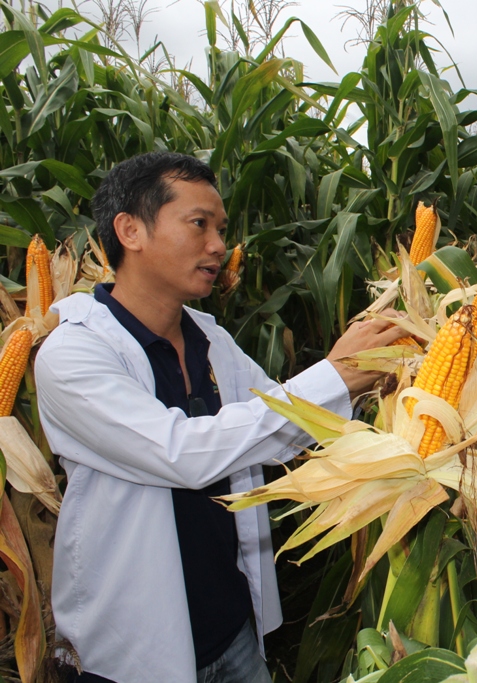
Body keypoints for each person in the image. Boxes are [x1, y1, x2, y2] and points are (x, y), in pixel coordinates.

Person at [35, 152, 407, 683]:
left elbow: (282, 426)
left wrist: (380, 386)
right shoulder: (73, 354)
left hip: (232, 633)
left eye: (221, 228)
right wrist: (332, 375)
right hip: (134, 648)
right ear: (130, 230)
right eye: (198, 225)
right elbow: (183, 454)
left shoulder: (212, 339)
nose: (219, 246)